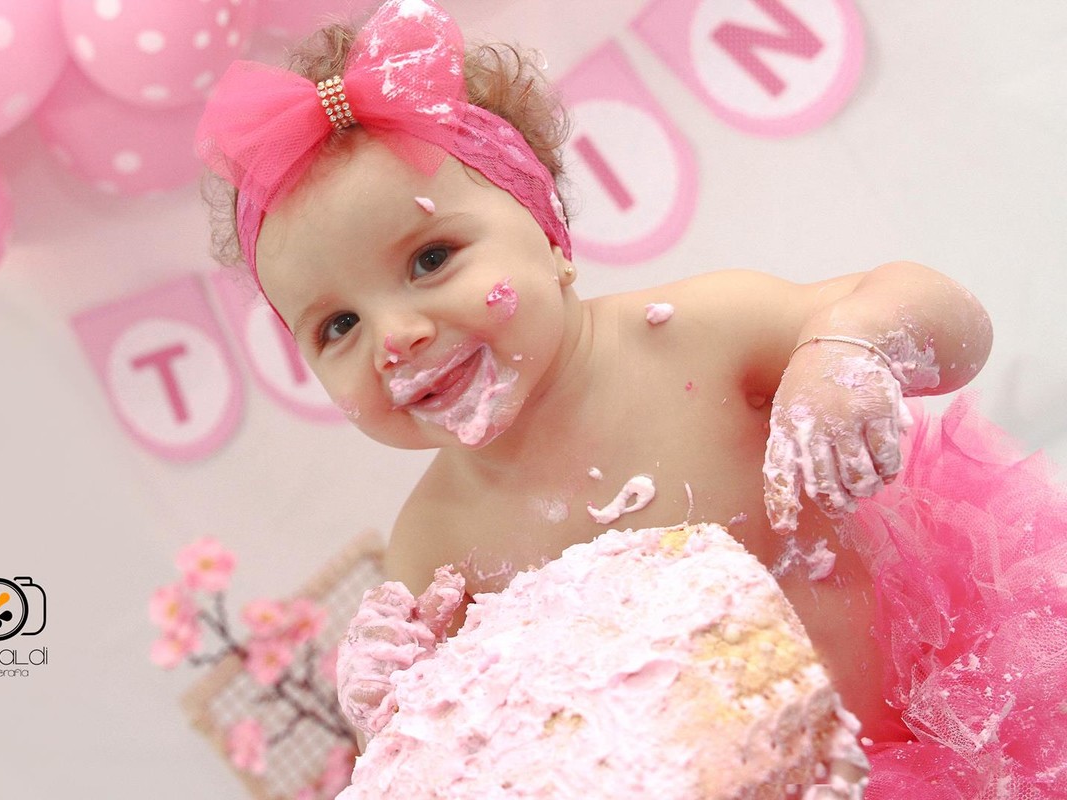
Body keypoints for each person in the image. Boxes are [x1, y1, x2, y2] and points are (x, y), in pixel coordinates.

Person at [196, 1, 1067, 795]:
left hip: (945, 730)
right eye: (337, 325)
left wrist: (848, 345)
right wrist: (392, 704)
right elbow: (485, 761)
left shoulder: (701, 336)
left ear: (549, 235)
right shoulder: (435, 543)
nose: (395, 335)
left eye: (430, 260)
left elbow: (951, 322)